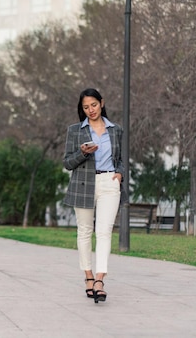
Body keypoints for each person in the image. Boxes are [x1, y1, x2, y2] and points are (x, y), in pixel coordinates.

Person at [62, 88, 123, 304]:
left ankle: (100, 280)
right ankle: (88, 275)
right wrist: (83, 153)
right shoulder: (75, 131)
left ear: (102, 103)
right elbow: (67, 163)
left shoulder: (116, 130)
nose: (91, 110)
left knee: (104, 231)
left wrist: (120, 173)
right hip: (83, 183)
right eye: (86, 107)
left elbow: (122, 158)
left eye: (94, 105)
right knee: (85, 231)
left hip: (109, 183)